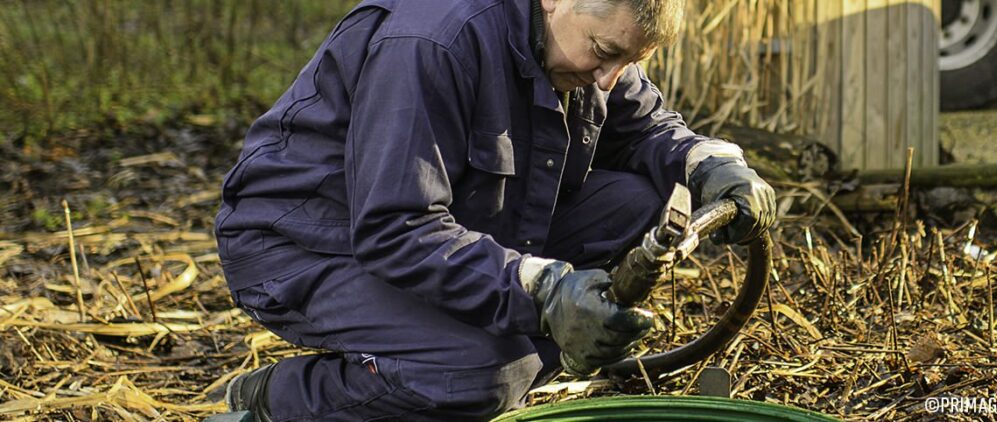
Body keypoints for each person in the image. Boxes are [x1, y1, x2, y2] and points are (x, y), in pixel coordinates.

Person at [215, 0, 776, 420]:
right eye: (605, 54)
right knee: (485, 373)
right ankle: (277, 400)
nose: (608, 77)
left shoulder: (584, 36)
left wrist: (711, 164)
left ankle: (517, 358)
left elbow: (647, 127)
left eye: (628, 62)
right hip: (307, 245)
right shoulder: (433, 42)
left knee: (641, 202)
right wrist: (545, 290)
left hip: (447, 226)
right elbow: (396, 227)